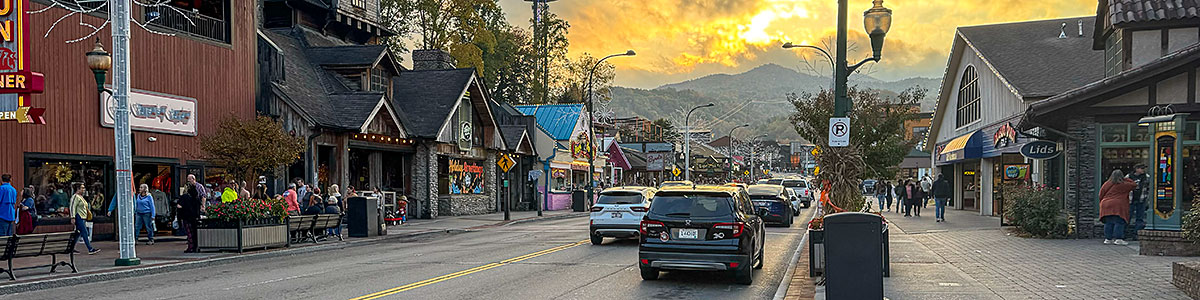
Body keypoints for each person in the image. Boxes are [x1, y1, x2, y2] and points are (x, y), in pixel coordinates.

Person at [1099, 170, 1137, 245]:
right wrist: (1126, 178)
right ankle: (1118, 239)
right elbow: (1134, 184)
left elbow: (1101, 194)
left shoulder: (1107, 183)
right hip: (1118, 205)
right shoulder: (1124, 184)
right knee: (1119, 222)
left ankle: (1108, 239)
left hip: (1105, 203)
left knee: (1108, 222)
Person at [70, 183, 100, 254]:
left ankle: (71, 248)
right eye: (82, 188)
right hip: (79, 216)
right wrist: (72, 217)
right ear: (78, 189)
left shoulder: (81, 197)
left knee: (78, 233)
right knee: (84, 232)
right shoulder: (75, 197)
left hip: (83, 217)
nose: (84, 189)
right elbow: (72, 207)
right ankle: (90, 248)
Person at [1125, 164, 1150, 239]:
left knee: (1140, 217)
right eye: (1141, 168)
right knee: (1127, 216)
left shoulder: (1147, 177)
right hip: (1130, 199)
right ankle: (1124, 233)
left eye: (1144, 168)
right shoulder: (1128, 177)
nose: (1143, 170)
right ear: (1136, 169)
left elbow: (1149, 187)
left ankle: (1136, 233)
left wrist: (1147, 197)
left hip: (1141, 199)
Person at [176, 186, 202, 252]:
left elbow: (179, 206)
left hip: (187, 217)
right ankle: (195, 247)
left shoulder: (184, 197)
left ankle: (191, 247)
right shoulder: (196, 198)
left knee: (189, 232)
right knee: (195, 233)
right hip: (195, 217)